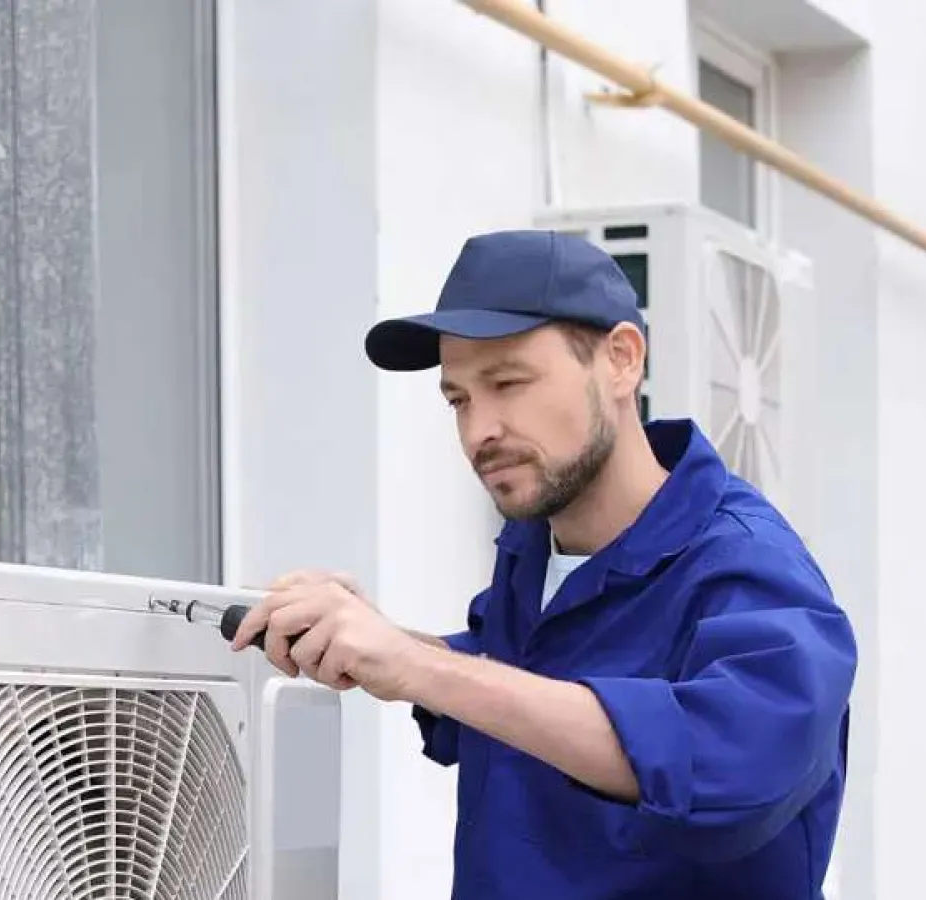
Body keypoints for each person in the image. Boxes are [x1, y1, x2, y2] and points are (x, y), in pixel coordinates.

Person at [230, 229, 857, 899]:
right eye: (459, 399)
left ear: (620, 360)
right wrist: (375, 641)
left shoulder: (751, 568)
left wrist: (418, 666)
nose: (479, 431)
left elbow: (727, 764)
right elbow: (515, 676)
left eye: (508, 383)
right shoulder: (535, 548)